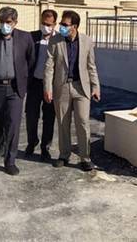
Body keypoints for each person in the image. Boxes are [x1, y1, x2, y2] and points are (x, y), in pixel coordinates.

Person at [0, 7, 34, 175]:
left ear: (15, 22)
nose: (5, 25)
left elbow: (30, 60)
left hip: (15, 89)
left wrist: (21, 77)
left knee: (13, 125)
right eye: (2, 22)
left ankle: (10, 161)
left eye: (8, 22)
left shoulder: (25, 37)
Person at [44, 10, 100, 171]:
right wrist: (47, 88)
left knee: (83, 122)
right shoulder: (55, 41)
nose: (61, 27)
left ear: (74, 26)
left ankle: (85, 158)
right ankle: (64, 155)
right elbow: (49, 66)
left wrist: (95, 87)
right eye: (61, 24)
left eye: (64, 24)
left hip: (81, 88)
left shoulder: (87, 41)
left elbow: (91, 66)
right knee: (63, 122)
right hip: (62, 87)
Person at [24, 9, 58, 161]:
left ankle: (45, 147)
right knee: (31, 115)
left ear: (54, 24)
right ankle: (32, 142)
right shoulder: (31, 37)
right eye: (43, 23)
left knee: (49, 117)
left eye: (49, 24)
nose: (45, 27)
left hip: (51, 85)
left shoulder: (60, 40)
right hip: (34, 83)